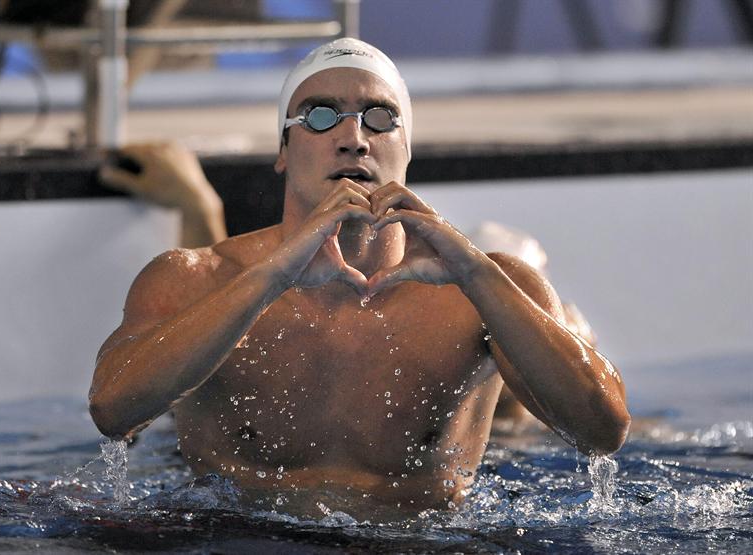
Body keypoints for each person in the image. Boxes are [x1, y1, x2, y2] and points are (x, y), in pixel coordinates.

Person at [89, 37, 630, 516]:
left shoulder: (483, 290)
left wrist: (474, 273)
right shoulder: (193, 281)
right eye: (320, 117)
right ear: (283, 150)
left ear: (407, 149)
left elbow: (603, 432)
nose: (353, 138)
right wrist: (271, 277)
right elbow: (113, 411)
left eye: (380, 118)